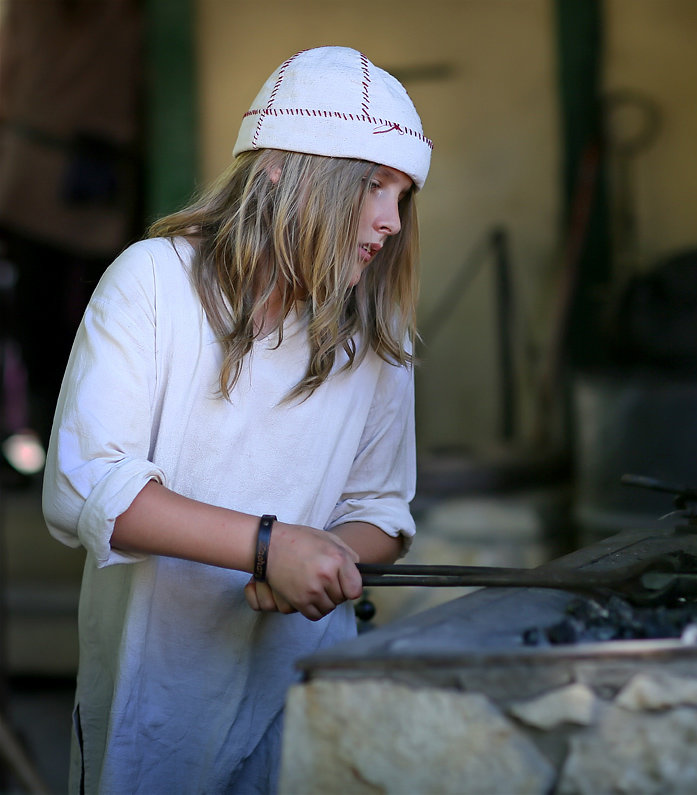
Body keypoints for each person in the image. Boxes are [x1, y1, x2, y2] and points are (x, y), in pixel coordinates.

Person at [41, 46, 432, 793]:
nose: (390, 222)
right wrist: (266, 546)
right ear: (283, 167)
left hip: (302, 680)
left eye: (403, 196)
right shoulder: (154, 284)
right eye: (374, 185)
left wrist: (317, 560)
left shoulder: (378, 336)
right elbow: (87, 485)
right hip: (154, 696)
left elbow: (380, 508)